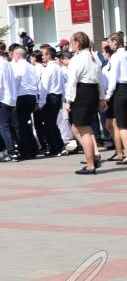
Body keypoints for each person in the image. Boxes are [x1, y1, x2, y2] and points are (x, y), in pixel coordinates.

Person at [66, 31, 105, 174]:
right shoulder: (93, 56)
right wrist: (101, 97)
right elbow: (100, 79)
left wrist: (68, 100)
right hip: (92, 92)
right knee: (81, 127)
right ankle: (93, 157)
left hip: (82, 92)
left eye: (71, 43)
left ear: (76, 43)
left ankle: (90, 165)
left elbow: (72, 81)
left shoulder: (77, 59)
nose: (71, 45)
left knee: (83, 130)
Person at [10, 46, 40, 159]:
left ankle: (26, 151)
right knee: (27, 124)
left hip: (22, 96)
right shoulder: (30, 66)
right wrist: (36, 100)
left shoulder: (19, 66)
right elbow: (36, 83)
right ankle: (33, 149)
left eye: (13, 54)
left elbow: (16, 81)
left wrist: (13, 98)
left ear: (17, 55)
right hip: (31, 96)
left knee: (21, 125)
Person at [38, 46, 66, 157]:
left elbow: (44, 87)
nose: (42, 56)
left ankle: (54, 148)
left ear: (49, 56)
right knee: (53, 124)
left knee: (48, 125)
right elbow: (63, 86)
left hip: (50, 98)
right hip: (57, 97)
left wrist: (40, 103)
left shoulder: (48, 69)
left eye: (43, 54)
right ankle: (60, 146)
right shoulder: (58, 68)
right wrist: (62, 99)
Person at [105, 33, 127, 164]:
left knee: (123, 126)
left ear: (115, 42)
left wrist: (107, 96)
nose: (109, 44)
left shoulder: (116, 57)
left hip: (120, 90)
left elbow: (113, 79)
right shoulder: (125, 54)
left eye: (110, 42)